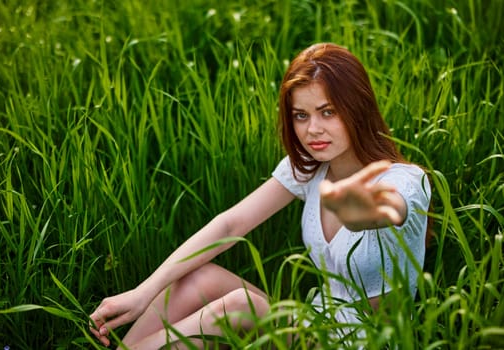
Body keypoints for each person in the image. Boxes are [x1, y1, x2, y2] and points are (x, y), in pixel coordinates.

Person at [89, 42, 431, 349]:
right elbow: (230, 225)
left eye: (328, 112)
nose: (313, 129)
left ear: (357, 108)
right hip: (313, 326)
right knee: (197, 277)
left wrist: (361, 209)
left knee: (238, 305)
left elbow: (395, 206)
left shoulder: (408, 180)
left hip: (363, 342)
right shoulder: (312, 166)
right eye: (301, 115)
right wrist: (142, 292)